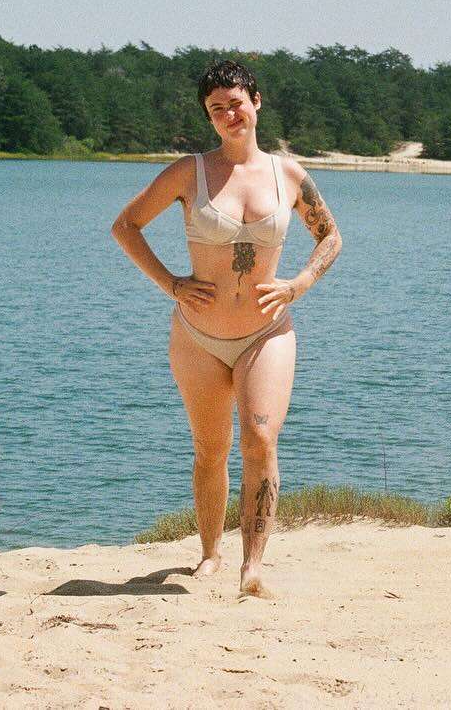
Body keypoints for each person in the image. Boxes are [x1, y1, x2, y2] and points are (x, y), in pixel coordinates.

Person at [111, 59, 342, 599]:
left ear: (255, 102)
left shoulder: (289, 175)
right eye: (216, 109)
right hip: (198, 335)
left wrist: (299, 284)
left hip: (267, 332)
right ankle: (210, 553)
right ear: (208, 116)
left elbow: (330, 236)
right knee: (210, 448)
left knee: (260, 439)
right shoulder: (188, 172)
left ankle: (252, 566)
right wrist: (171, 283)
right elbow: (126, 226)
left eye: (235, 103)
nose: (228, 115)